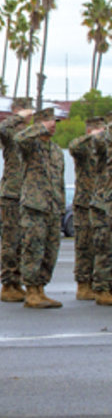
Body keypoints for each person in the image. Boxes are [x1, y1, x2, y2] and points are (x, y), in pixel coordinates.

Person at [14, 107, 65, 309]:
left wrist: (60, 204)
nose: (53, 125)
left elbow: (59, 180)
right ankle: (31, 291)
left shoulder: (57, 151)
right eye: (49, 121)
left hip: (52, 208)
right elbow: (18, 139)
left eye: (54, 122)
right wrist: (37, 128)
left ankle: (41, 289)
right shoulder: (30, 145)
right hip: (34, 206)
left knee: (50, 252)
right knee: (32, 250)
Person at [0, 97, 33, 302]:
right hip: (12, 193)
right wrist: (17, 117)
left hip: (28, 194)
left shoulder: (28, 135)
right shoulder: (10, 133)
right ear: (16, 110)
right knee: (11, 240)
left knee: (24, 242)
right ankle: (8, 284)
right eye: (24, 110)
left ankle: (18, 282)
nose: (29, 114)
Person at [67, 117, 103, 301]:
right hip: (85, 204)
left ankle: (100, 284)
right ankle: (83, 285)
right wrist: (91, 137)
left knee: (102, 246)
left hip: (102, 204)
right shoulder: (83, 150)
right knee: (84, 246)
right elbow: (73, 146)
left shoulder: (104, 151)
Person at [89, 112, 112, 306]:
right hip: (105, 202)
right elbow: (94, 144)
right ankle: (102, 288)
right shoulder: (102, 141)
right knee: (105, 247)